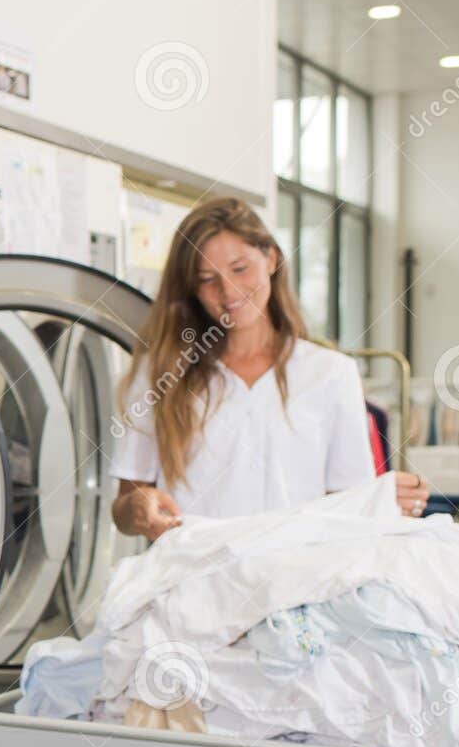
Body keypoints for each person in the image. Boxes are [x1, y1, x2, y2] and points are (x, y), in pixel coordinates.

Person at [112, 196, 430, 541]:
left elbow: (349, 509)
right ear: (191, 288)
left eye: (240, 269)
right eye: (207, 278)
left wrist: (385, 500)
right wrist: (138, 508)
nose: (228, 290)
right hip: (196, 579)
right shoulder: (161, 371)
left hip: (297, 579)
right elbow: (124, 507)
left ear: (271, 259)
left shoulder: (330, 373)